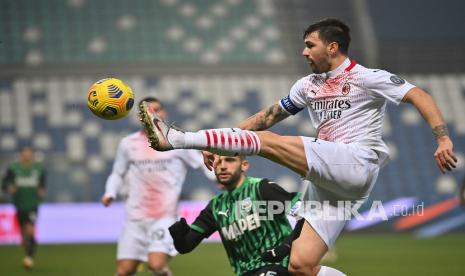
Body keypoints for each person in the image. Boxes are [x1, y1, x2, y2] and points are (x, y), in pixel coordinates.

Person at [138, 18, 458, 276]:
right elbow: (266, 117)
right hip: (330, 179)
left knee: (266, 145)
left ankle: (178, 139)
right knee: (300, 266)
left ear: (332, 47)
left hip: (357, 162)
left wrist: (442, 137)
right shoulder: (307, 86)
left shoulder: (367, 77)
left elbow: (420, 95)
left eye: (310, 45)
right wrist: (224, 142)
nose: (304, 52)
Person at [102, 97, 214, 276]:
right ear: (141, 117)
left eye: (157, 109)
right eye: (148, 111)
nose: (153, 114)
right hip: (135, 218)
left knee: (156, 265)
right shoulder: (128, 144)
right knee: (124, 271)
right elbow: (117, 173)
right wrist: (110, 192)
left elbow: (203, 163)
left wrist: (220, 179)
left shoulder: (177, 143)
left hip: (164, 216)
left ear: (164, 113)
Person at [168, 155, 301, 276]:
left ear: (244, 165)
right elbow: (185, 246)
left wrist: (285, 247)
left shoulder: (262, 188)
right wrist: (178, 235)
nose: (223, 166)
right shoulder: (214, 207)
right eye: (217, 162)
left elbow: (306, 213)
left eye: (229, 160)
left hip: (279, 266)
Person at [1, 146, 46, 270]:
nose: (27, 155)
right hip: (19, 204)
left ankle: (29, 258)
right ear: (21, 155)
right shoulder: (14, 168)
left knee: (30, 229)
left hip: (33, 203)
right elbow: (4, 183)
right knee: (24, 235)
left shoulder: (39, 169)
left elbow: (42, 184)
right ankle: (28, 249)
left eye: (29, 153)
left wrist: (41, 190)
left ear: (31, 155)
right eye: (24, 153)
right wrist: (9, 188)